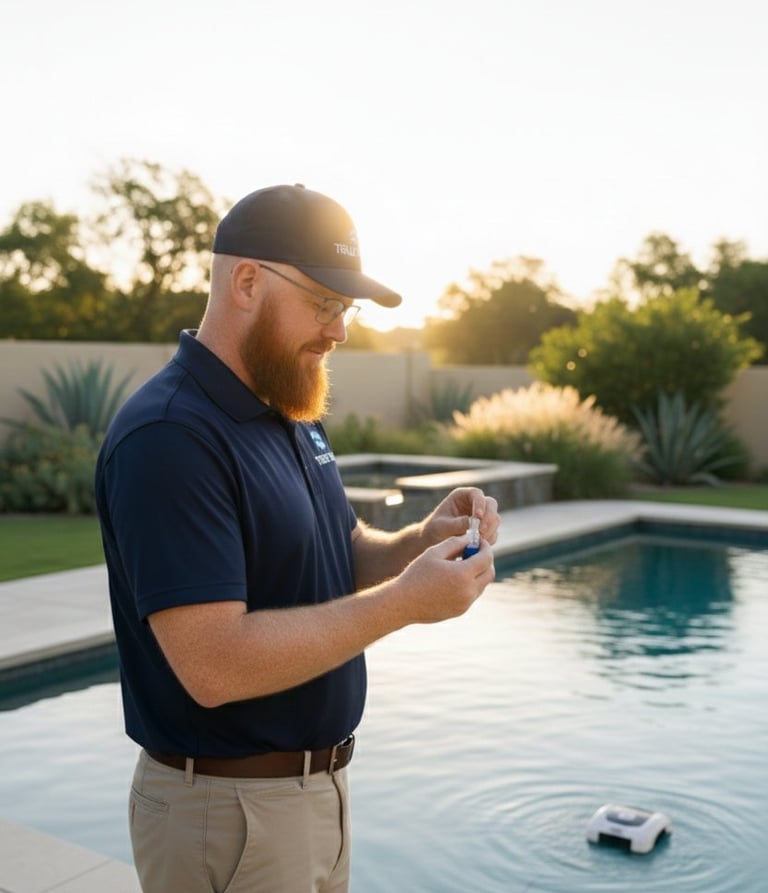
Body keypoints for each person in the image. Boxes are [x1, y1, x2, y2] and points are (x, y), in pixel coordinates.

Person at [95, 183, 499, 893]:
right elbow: (213, 666)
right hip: (225, 813)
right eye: (324, 302)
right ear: (246, 281)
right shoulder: (170, 437)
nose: (340, 330)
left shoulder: (292, 408)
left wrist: (415, 542)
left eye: (345, 307)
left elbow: (337, 553)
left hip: (314, 797)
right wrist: (405, 603)